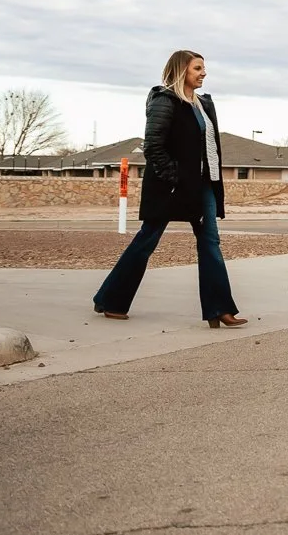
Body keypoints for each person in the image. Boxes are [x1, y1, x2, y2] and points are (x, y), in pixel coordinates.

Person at [92, 51, 247, 329]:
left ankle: (220, 308)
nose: (203, 73)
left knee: (210, 242)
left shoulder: (204, 104)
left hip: (203, 184)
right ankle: (111, 299)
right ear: (181, 70)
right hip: (169, 186)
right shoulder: (164, 101)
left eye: (203, 68)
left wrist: (206, 180)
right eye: (197, 68)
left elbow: (209, 147)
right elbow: (153, 146)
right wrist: (176, 179)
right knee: (147, 240)